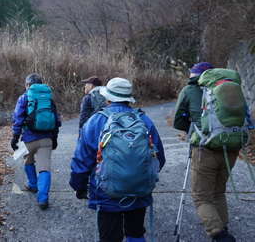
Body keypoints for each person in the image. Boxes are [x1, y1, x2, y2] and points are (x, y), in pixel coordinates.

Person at [70, 77, 165, 242]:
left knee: (110, 237)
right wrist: (140, 176)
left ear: (107, 98)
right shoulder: (144, 120)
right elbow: (159, 159)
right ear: (129, 98)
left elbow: (81, 161)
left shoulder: (96, 121)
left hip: (106, 193)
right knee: (135, 233)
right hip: (138, 192)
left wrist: (79, 186)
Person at [174, 62, 238, 242]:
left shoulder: (189, 90)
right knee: (218, 191)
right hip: (230, 147)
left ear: (194, 75)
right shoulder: (228, 87)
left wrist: (191, 129)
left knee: (201, 196)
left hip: (205, 148)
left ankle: (219, 234)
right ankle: (222, 226)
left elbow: (179, 120)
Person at [11, 73, 61, 210]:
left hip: (28, 139)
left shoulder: (24, 97)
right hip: (46, 139)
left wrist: (15, 137)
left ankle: (33, 184)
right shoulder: (49, 98)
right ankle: (43, 199)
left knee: (28, 161)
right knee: (44, 168)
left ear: (27, 85)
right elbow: (56, 120)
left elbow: (18, 119)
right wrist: (54, 138)